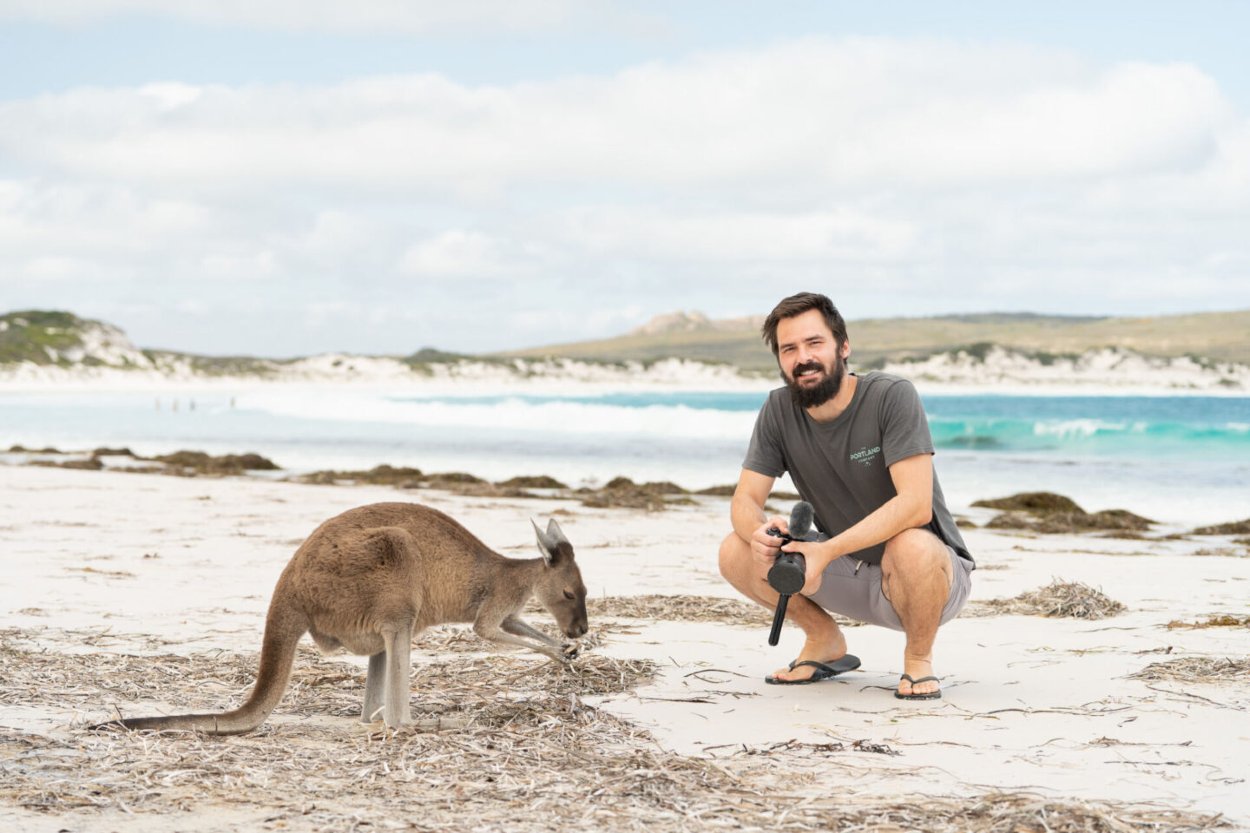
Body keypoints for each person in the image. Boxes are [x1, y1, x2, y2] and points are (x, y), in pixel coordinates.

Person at [718, 292, 974, 699]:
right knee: (736, 548)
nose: (803, 357)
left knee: (911, 545)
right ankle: (824, 641)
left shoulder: (891, 396)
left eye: (814, 343)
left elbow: (915, 504)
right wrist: (760, 531)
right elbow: (744, 500)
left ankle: (918, 661)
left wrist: (827, 550)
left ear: (843, 346)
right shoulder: (778, 410)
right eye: (789, 349)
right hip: (846, 570)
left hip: (925, 579)